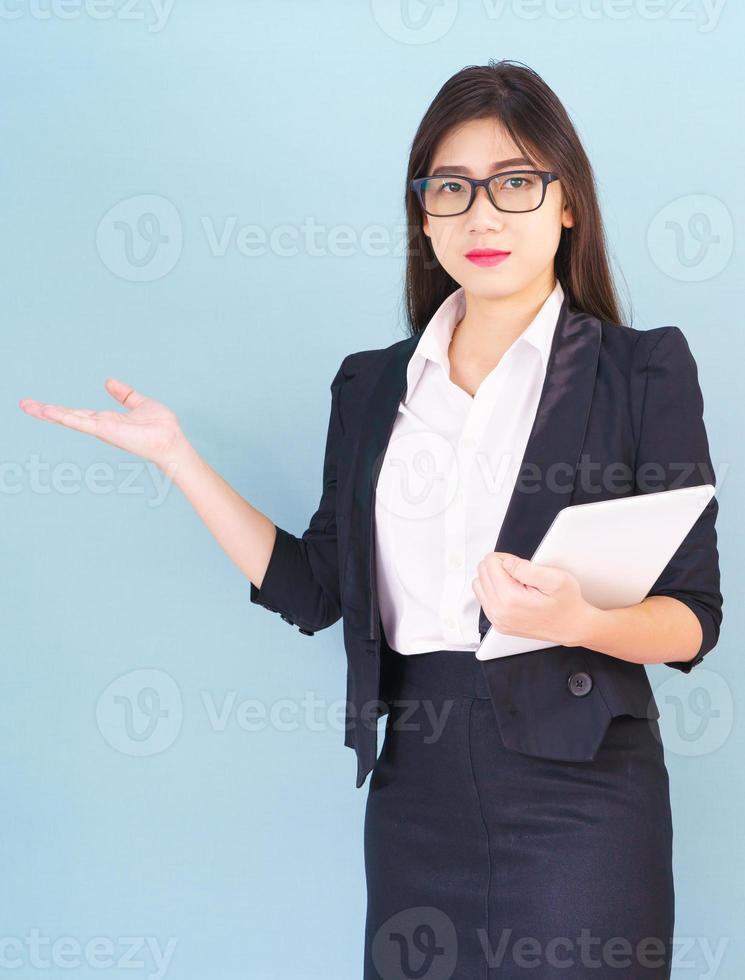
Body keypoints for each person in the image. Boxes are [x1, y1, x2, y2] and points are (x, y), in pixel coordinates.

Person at [20, 59, 723, 979]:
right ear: (421, 212)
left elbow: (692, 621)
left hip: (582, 791)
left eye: (513, 183)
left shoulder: (641, 372)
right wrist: (177, 459)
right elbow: (317, 592)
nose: (480, 215)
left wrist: (577, 623)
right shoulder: (369, 386)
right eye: (450, 187)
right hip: (415, 784)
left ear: (565, 204)